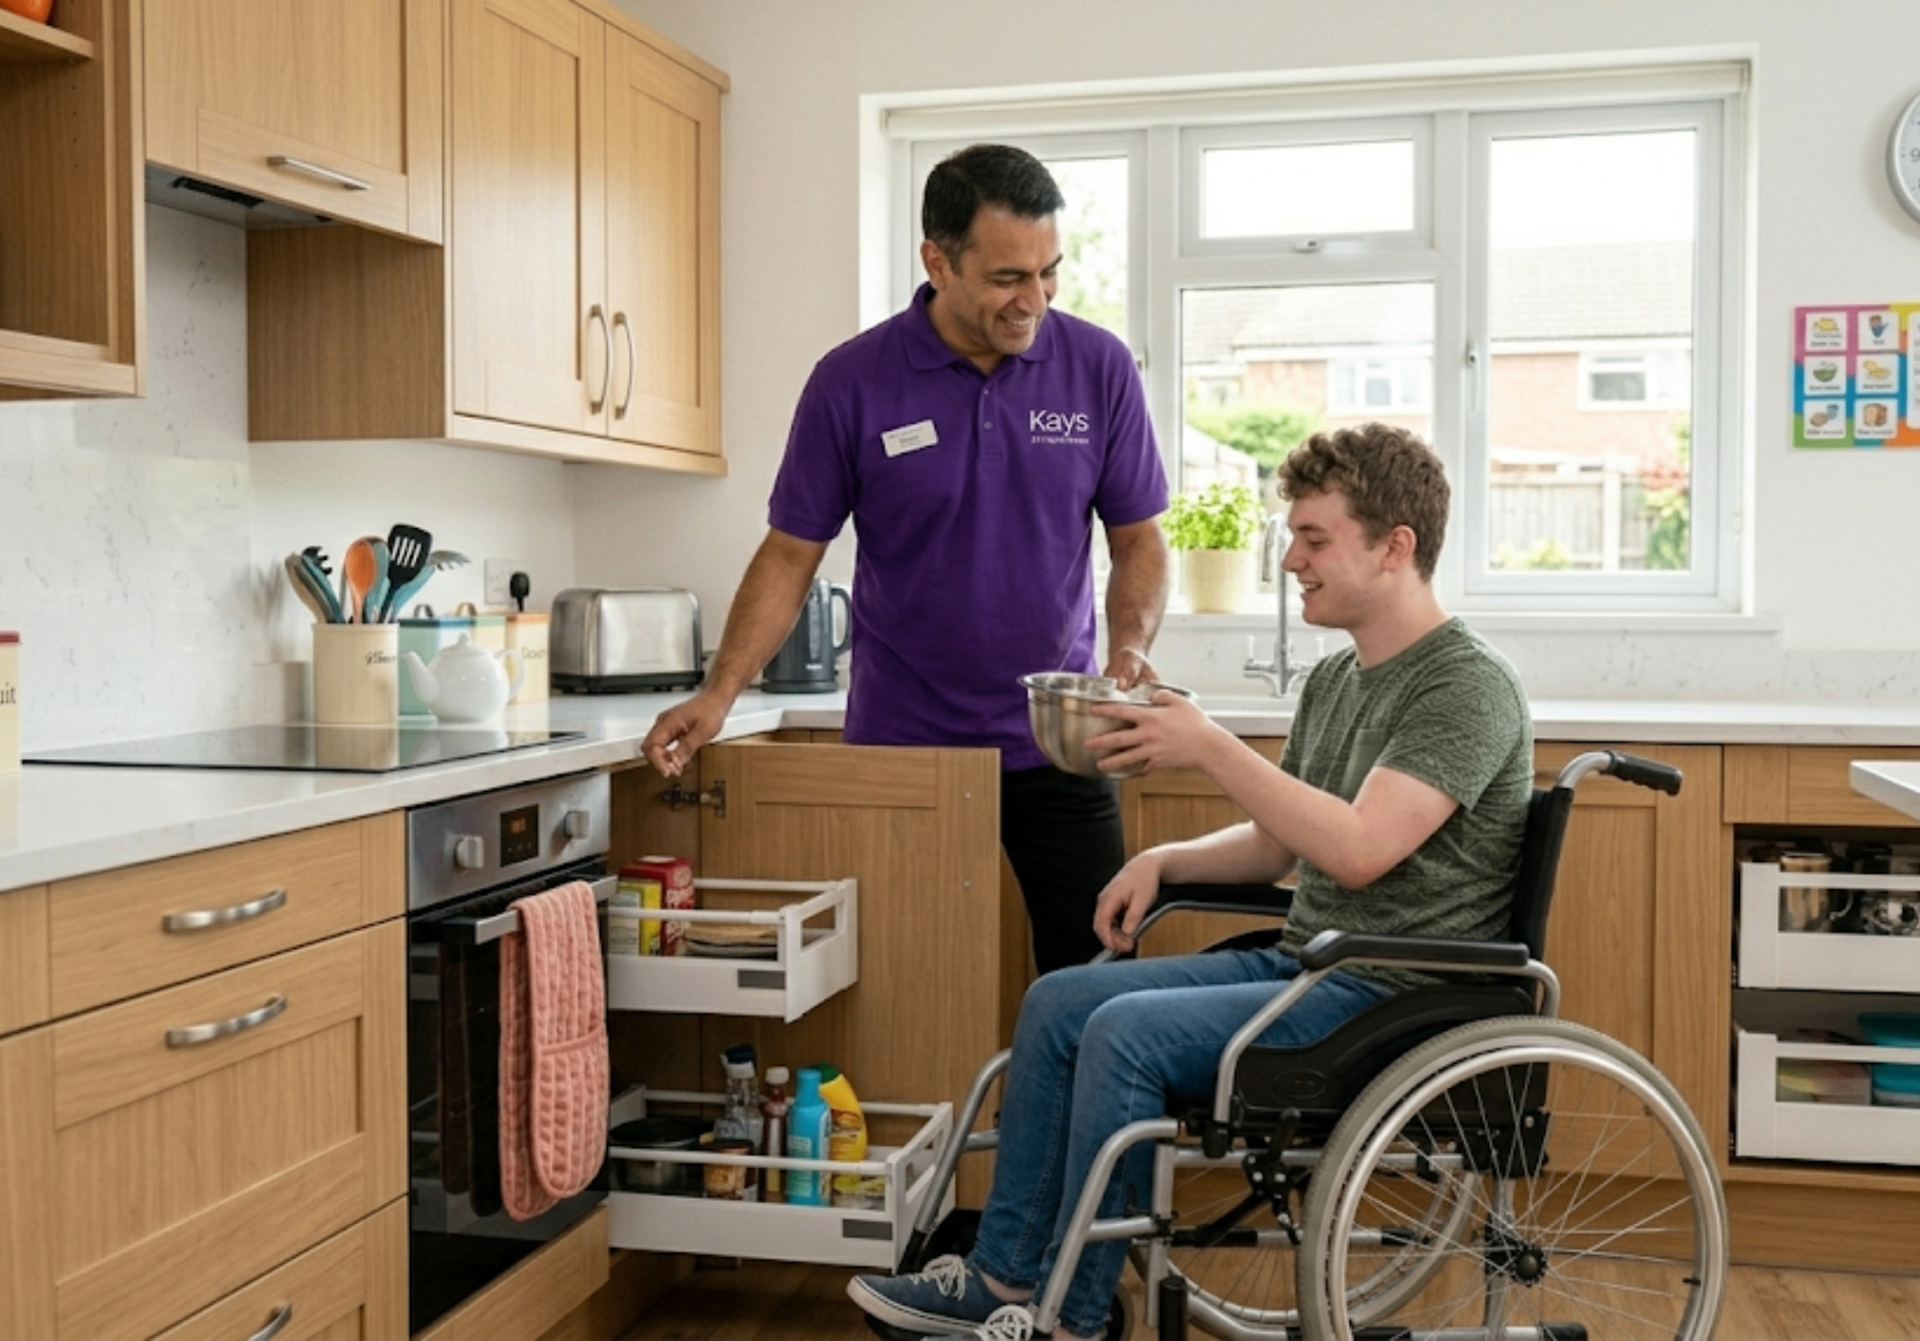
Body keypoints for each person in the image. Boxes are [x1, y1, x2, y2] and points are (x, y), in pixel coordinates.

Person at [846, 423, 1534, 1341]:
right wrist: (1164, 860)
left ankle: (1072, 1320)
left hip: (1396, 993)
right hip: (1317, 965)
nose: (1290, 560)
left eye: (1314, 539)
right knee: (1060, 1000)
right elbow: (1279, 844)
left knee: (1123, 1034)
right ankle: (1003, 1276)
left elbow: (1362, 849)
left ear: (1394, 546)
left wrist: (1210, 745)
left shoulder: (1466, 686)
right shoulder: (1340, 680)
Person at [641, 144, 1170, 974]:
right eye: (1007, 277)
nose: (1034, 300)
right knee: (905, 989)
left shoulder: (1097, 367)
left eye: (1048, 272)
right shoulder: (851, 382)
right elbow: (790, 555)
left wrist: (1130, 647)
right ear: (937, 261)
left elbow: (1137, 538)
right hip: (903, 744)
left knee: (1098, 979)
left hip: (1057, 748)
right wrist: (720, 692)